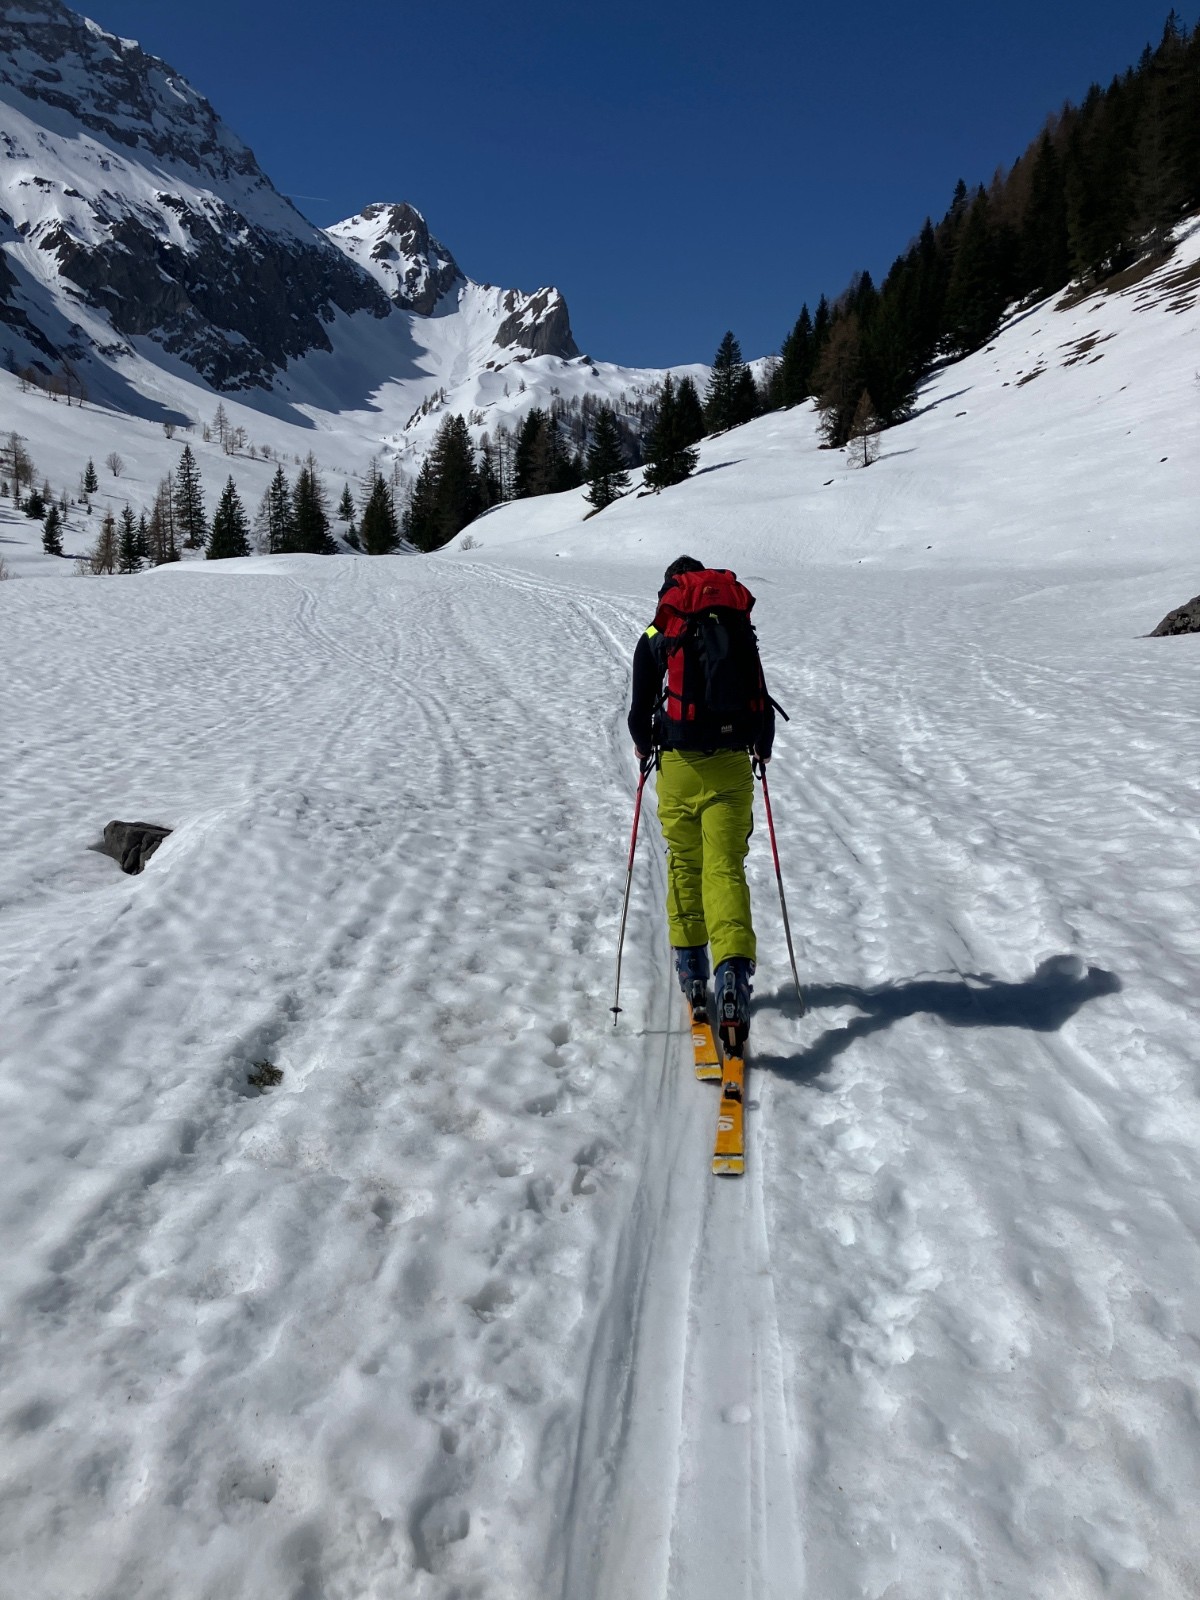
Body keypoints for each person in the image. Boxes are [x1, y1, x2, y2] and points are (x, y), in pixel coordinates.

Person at [627, 555, 775, 1050]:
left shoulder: (658, 632)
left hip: (679, 767)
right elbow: (758, 695)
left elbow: (637, 713)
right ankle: (733, 971)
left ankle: (693, 969)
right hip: (732, 765)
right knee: (725, 868)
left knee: (686, 863)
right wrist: (761, 747)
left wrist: (646, 746)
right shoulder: (733, 624)